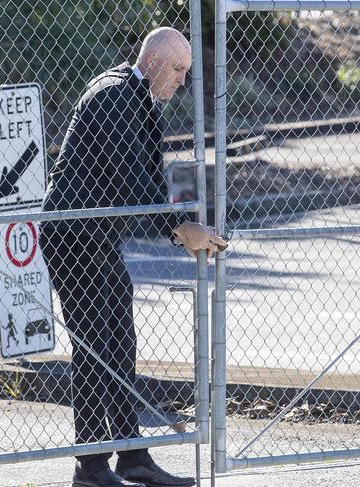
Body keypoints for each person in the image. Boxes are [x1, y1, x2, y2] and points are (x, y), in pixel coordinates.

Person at [40, 27, 228, 487]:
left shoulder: (138, 100)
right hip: (71, 236)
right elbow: (130, 182)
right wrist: (179, 229)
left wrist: (180, 225)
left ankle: (131, 454)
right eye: (180, 70)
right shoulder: (116, 96)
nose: (183, 81)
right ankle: (90, 464)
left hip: (98, 239)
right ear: (157, 62)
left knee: (119, 343)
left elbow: (147, 179)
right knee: (94, 347)